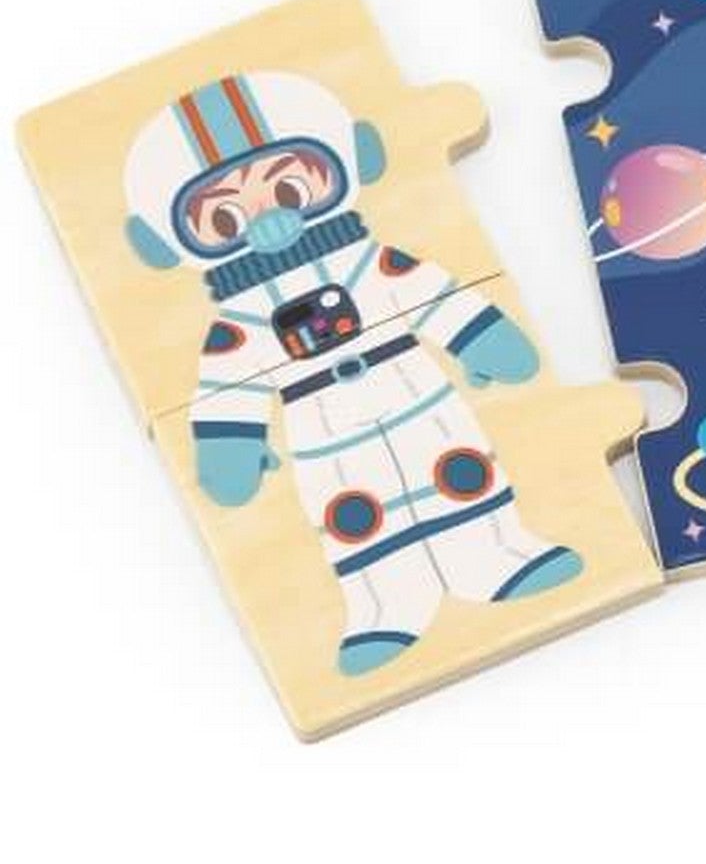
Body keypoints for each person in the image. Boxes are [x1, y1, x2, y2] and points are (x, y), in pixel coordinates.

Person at [123, 70, 583, 675]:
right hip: (321, 429)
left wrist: (481, 342)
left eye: (289, 189)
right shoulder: (239, 321)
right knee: (354, 513)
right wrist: (232, 449)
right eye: (226, 219)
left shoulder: (371, 263)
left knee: (459, 471)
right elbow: (227, 385)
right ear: (166, 242)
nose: (265, 221)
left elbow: (429, 294)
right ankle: (384, 605)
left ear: (354, 158)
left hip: (415, 395)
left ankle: (498, 553)